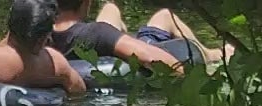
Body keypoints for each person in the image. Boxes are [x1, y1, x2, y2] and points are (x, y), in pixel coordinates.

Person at [55, 1, 227, 66]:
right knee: (165, 16)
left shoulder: (40, 31)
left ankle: (123, 33)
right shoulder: (96, 34)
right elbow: (150, 57)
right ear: (86, 2)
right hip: (121, 51)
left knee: (110, 8)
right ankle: (212, 55)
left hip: (101, 46)